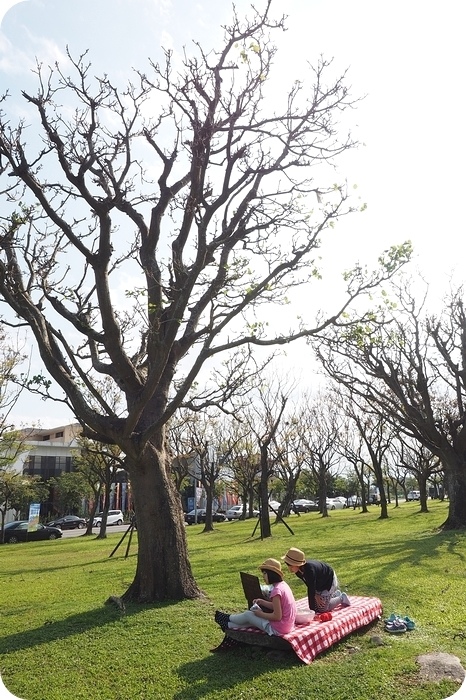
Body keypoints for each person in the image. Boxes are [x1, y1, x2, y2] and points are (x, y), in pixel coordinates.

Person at [214, 558, 296, 636]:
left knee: (248, 615)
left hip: (278, 629)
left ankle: (227, 617)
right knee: (250, 621)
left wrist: (261, 614)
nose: (263, 576)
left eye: (264, 573)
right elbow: (277, 606)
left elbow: (277, 616)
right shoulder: (283, 585)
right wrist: (262, 602)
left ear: (271, 574)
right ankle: (227, 625)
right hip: (287, 626)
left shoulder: (277, 591)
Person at [281, 547, 351, 612]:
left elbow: (311, 589)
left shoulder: (310, 570)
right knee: (316, 605)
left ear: (298, 564)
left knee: (322, 608)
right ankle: (335, 595)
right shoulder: (298, 571)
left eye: (291, 566)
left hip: (328, 580)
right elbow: (308, 583)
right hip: (319, 582)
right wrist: (316, 596)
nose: (289, 569)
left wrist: (312, 611)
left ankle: (341, 598)